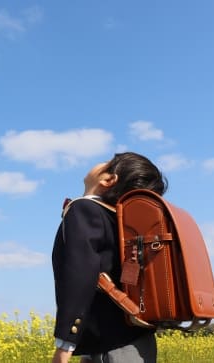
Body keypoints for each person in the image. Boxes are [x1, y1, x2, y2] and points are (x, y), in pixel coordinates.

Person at [52, 152, 168, 363]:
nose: (101, 162)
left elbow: (79, 277)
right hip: (137, 342)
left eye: (107, 163)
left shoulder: (83, 209)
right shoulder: (120, 222)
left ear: (108, 179)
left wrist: (65, 343)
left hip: (110, 348)